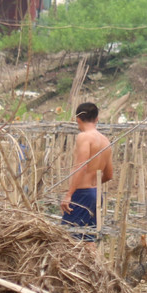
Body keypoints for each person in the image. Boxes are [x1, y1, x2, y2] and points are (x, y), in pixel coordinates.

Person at [60, 101, 113, 242]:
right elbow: (109, 174)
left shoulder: (84, 137)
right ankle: (94, 265)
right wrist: (93, 187)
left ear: (77, 119)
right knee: (89, 239)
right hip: (96, 194)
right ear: (96, 119)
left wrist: (69, 194)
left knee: (68, 238)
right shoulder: (105, 141)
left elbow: (81, 166)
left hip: (82, 194)